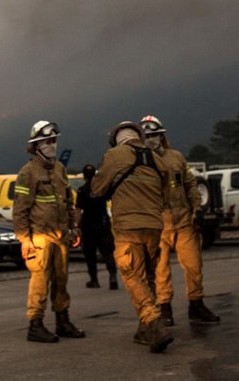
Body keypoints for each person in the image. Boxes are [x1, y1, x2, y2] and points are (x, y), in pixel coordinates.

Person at [90, 121, 173, 353]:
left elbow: (97, 189)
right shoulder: (157, 159)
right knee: (149, 276)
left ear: (116, 139)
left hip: (128, 226)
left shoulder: (114, 155)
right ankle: (145, 330)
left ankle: (155, 324)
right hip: (154, 227)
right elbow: (167, 196)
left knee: (132, 275)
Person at [141, 115, 220, 326]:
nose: (151, 139)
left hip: (184, 221)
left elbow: (190, 184)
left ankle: (196, 305)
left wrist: (197, 209)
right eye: (147, 136)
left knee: (194, 266)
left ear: (162, 135)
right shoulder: (141, 163)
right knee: (160, 270)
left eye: (154, 135)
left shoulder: (176, 157)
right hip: (158, 226)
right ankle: (164, 308)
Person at [12, 120, 85, 343]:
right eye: (47, 141)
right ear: (36, 146)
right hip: (39, 238)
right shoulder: (28, 172)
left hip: (61, 235)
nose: (52, 145)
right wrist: (25, 239)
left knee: (61, 281)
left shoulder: (60, 170)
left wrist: (74, 227)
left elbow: (68, 202)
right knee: (40, 281)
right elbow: (20, 209)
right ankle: (35, 324)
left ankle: (62, 321)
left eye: (54, 140)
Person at [75, 164, 118, 290]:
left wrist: (76, 226)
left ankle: (94, 280)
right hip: (103, 223)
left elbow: (79, 209)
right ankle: (113, 276)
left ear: (84, 176)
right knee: (108, 252)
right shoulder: (102, 188)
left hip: (88, 226)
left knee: (90, 255)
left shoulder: (82, 190)